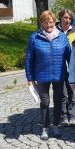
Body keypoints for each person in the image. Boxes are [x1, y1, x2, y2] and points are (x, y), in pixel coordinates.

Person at [25, 10, 71, 140]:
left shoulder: (62, 36)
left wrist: (73, 73)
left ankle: (56, 125)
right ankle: (45, 128)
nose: (49, 25)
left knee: (58, 100)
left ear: (54, 22)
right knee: (45, 102)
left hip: (59, 74)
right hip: (42, 75)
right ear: (41, 23)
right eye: (46, 22)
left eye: (50, 22)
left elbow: (69, 56)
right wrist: (30, 78)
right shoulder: (34, 37)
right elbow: (29, 59)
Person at [56, 9, 75, 127]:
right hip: (59, 67)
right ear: (60, 18)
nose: (67, 20)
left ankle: (72, 117)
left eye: (69, 18)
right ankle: (63, 117)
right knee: (62, 94)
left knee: (72, 93)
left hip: (72, 67)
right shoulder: (54, 31)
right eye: (65, 17)